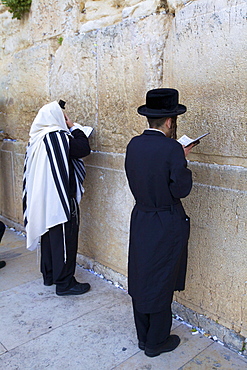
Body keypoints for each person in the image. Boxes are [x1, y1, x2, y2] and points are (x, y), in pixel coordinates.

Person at [125, 88, 194, 357]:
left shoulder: (133, 144)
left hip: (141, 216)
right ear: (169, 121)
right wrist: (183, 161)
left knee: (142, 275)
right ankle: (156, 341)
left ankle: (144, 337)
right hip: (165, 220)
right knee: (162, 279)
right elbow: (181, 189)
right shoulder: (172, 149)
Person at [23, 100, 91, 296]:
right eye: (63, 116)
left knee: (49, 237)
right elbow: (82, 149)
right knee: (65, 239)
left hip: (43, 197)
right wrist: (74, 127)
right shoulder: (58, 137)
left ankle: (50, 275)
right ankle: (65, 283)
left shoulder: (37, 138)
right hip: (59, 199)